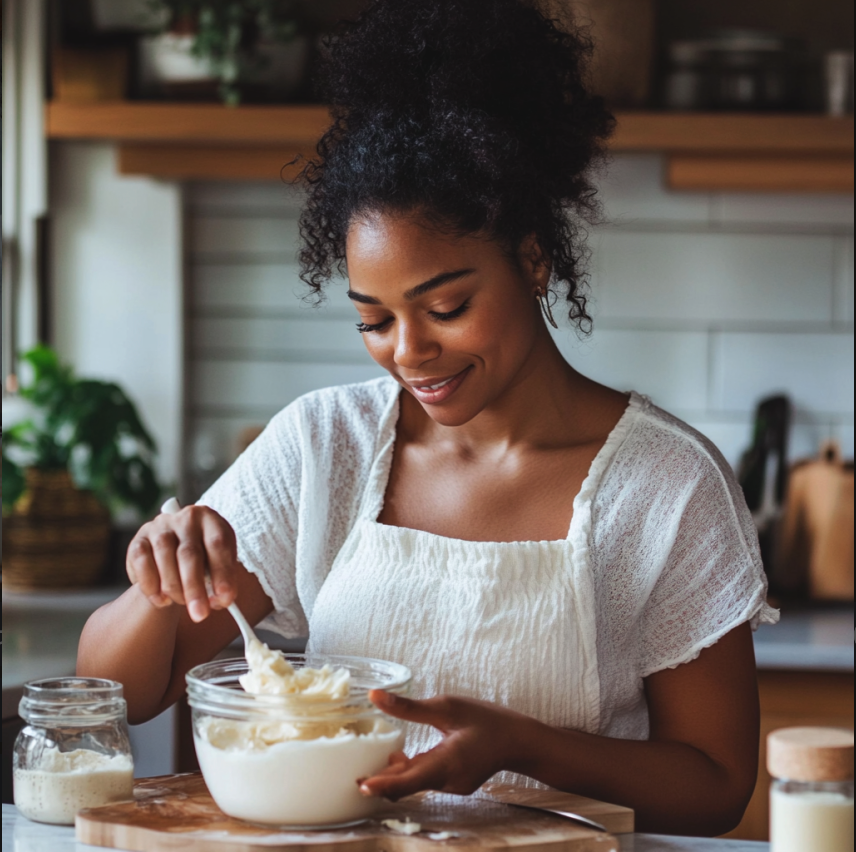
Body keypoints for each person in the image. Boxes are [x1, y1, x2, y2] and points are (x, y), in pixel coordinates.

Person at [78, 0, 778, 835]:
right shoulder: (323, 447)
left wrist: (525, 745)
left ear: (531, 259)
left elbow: (717, 783)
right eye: (374, 320)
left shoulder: (666, 484)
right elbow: (114, 692)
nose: (409, 352)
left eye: (445, 306)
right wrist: (159, 581)